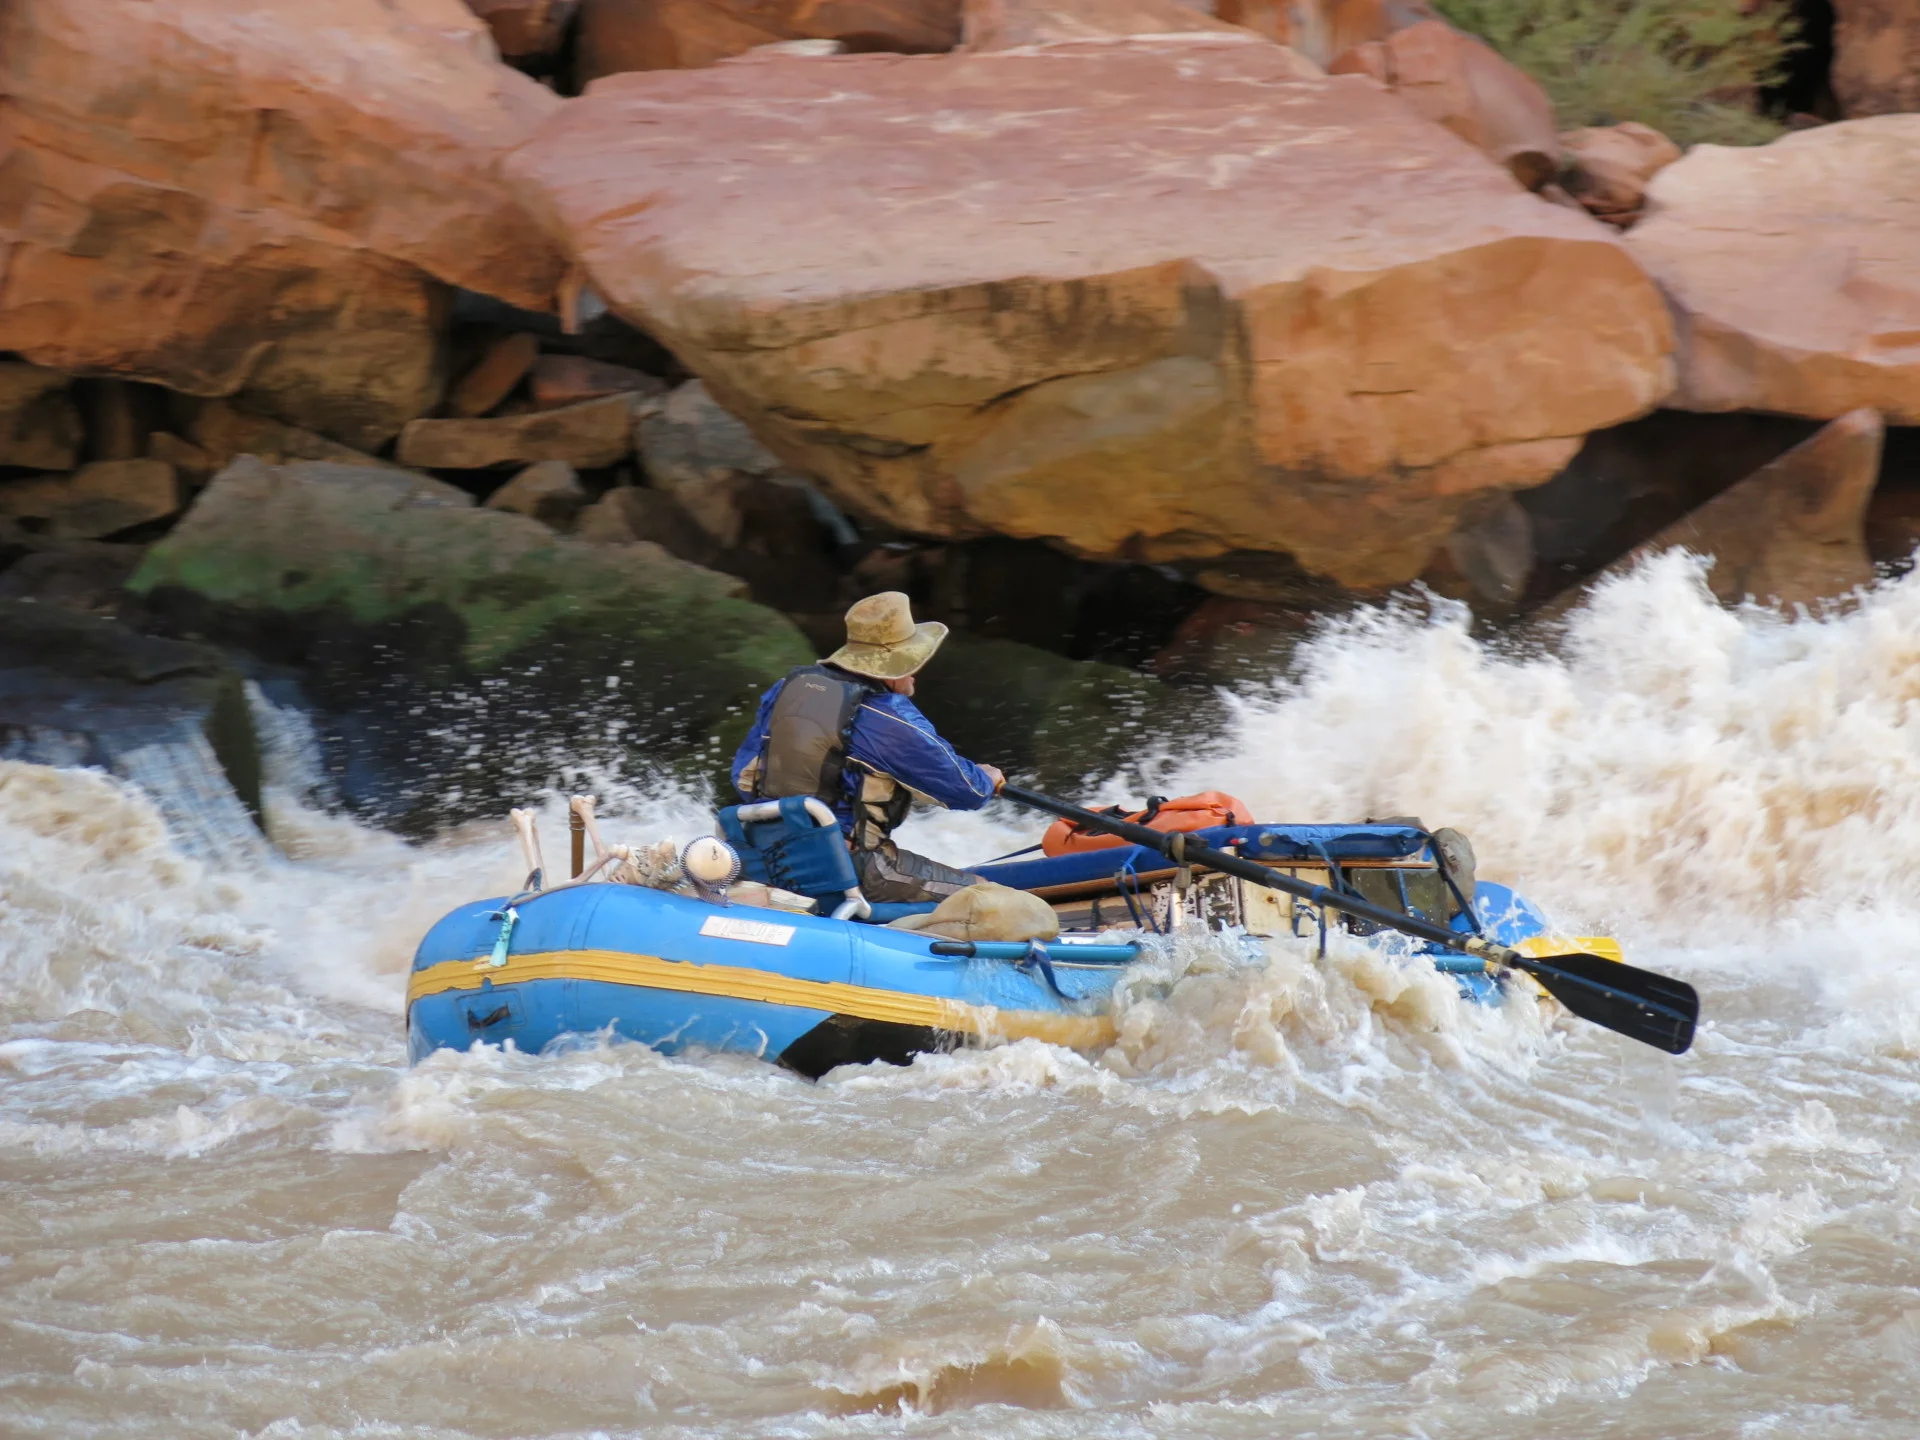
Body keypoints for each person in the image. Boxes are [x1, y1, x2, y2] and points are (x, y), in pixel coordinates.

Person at [731, 591, 1005, 904]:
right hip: (847, 866)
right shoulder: (889, 718)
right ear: (894, 665)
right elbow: (965, 791)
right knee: (987, 896)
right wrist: (986, 778)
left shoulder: (786, 690)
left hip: (767, 855)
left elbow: (742, 776)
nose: (916, 670)